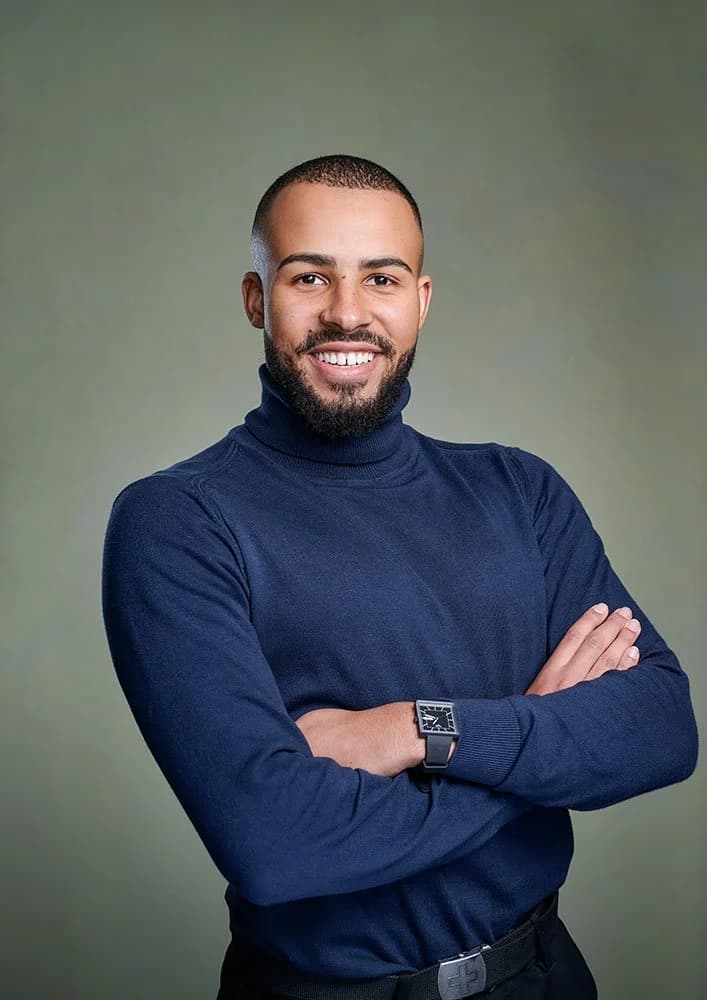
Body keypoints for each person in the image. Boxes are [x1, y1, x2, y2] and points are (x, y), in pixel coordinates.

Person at [101, 154, 698, 1000]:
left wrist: (415, 730)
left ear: (419, 300)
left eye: (380, 278)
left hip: (546, 978)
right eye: (310, 276)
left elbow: (662, 729)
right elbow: (277, 844)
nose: (347, 314)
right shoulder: (178, 521)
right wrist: (539, 736)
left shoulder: (519, 491)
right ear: (255, 297)